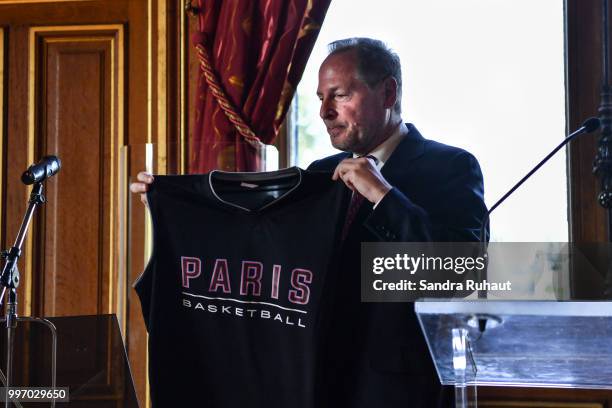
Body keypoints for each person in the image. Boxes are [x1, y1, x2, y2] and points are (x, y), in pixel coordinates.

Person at [131, 37, 487, 407]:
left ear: (388, 92)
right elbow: (260, 246)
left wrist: (383, 195)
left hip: (400, 392)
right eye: (320, 98)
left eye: (340, 95)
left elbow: (463, 272)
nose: (325, 113)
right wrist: (178, 210)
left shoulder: (452, 168)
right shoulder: (319, 175)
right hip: (310, 384)